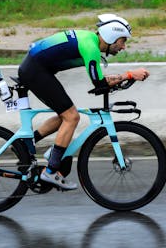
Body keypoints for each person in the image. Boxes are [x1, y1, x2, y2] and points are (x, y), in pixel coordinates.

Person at [18, 14, 150, 190]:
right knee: (71, 117)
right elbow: (99, 83)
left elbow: (100, 80)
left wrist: (123, 78)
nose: (123, 47)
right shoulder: (91, 47)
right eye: (122, 41)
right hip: (35, 70)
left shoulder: (90, 41)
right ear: (111, 36)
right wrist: (129, 74)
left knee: (66, 114)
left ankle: (27, 146)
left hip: (37, 68)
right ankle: (50, 171)